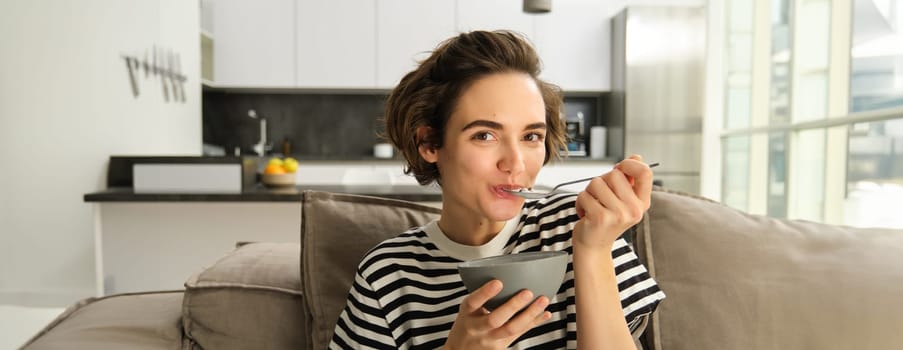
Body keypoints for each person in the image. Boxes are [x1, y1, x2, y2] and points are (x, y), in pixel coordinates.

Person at [330, 30, 665, 349]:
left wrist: (593, 252)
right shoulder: (388, 273)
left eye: (531, 136)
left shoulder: (580, 224)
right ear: (430, 143)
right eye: (485, 135)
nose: (515, 162)